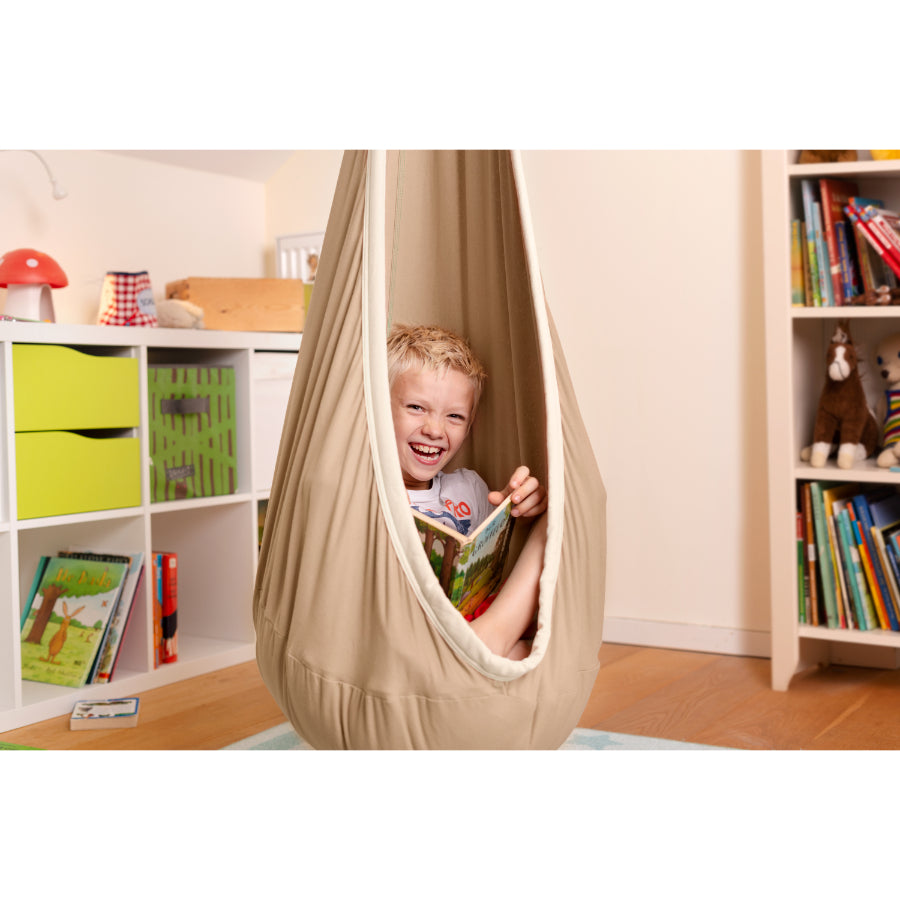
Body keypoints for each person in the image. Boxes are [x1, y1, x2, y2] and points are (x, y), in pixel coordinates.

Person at [388, 323, 548, 660]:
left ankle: (490, 647)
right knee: (519, 657)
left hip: (473, 620)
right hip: (411, 640)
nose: (434, 429)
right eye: (416, 407)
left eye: (455, 416)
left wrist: (519, 504)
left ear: (470, 427)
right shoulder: (360, 492)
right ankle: (487, 651)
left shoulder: (469, 488)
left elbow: (488, 563)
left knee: (558, 518)